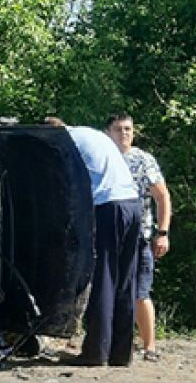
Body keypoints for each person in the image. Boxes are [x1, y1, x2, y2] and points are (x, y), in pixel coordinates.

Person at [45, 117, 141, 366]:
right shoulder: (91, 134)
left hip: (108, 207)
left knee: (104, 278)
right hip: (132, 204)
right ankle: (120, 354)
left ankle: (96, 352)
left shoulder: (68, 143)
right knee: (125, 280)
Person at [105, 113, 172, 362]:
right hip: (108, 236)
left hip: (139, 236)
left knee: (140, 292)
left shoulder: (143, 160)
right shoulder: (103, 159)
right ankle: (107, 340)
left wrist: (162, 232)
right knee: (105, 290)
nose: (124, 134)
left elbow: (162, 196)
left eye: (128, 129)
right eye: (118, 129)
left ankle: (149, 345)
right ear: (108, 133)